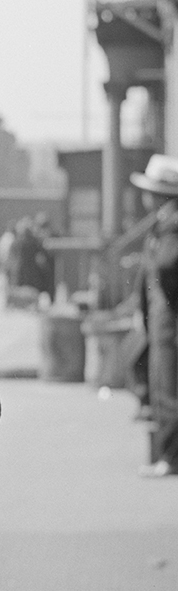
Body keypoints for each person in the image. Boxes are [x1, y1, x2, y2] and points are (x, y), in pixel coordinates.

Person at [130, 155, 178, 478]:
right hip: (162, 320)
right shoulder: (164, 223)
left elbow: (165, 266)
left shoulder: (171, 225)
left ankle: (171, 457)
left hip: (168, 321)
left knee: (168, 391)